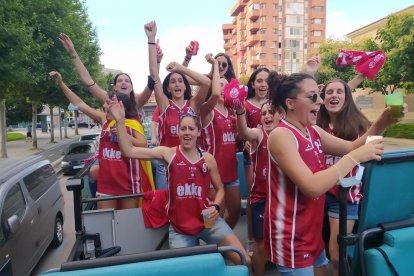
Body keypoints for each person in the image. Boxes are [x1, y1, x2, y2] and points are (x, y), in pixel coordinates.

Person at [264, 72, 397, 275]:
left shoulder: (313, 131)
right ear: (290, 103)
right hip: (291, 235)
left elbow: (352, 146)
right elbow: (312, 186)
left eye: (318, 94)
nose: (320, 101)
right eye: (313, 97)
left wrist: (382, 123)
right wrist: (354, 158)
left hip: (311, 229)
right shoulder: (281, 135)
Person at [107, 97, 251, 269]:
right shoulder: (167, 154)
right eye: (183, 129)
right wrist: (120, 122)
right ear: (178, 132)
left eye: (191, 129)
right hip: (180, 229)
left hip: (208, 224)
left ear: (199, 132)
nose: (187, 132)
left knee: (244, 260)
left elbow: (220, 190)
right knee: (184, 271)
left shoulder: (208, 159)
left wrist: (217, 207)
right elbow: (128, 151)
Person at [49, 71, 154, 210]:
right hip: (106, 185)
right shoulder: (104, 120)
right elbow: (80, 103)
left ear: (121, 105)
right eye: (106, 102)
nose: (105, 105)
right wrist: (61, 84)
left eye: (110, 102)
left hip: (129, 185)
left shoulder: (132, 123)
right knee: (105, 224)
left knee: (127, 227)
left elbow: (144, 146)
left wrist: (126, 136)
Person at [317, 78, 370, 276]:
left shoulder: (360, 124)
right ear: (322, 98)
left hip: (344, 196)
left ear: (347, 97)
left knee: (337, 255)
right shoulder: (315, 124)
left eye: (340, 91)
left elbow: (375, 145)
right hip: (317, 191)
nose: (334, 95)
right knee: (313, 250)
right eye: (329, 92)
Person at [59, 32, 163, 123]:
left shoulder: (137, 100)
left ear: (131, 87)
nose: (123, 82)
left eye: (127, 81)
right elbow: (88, 80)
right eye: (120, 81)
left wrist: (156, 60)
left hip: (134, 145)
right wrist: (72, 52)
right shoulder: (108, 99)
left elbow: (152, 80)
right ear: (114, 87)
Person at [235, 98, 281, 276]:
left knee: (282, 241)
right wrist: (240, 112)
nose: (267, 116)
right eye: (263, 113)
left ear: (281, 115)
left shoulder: (289, 133)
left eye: (271, 112)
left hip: (283, 197)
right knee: (260, 245)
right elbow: (245, 131)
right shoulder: (259, 134)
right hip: (261, 198)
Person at [200, 54, 240, 229]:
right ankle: (214, 250)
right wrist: (215, 66)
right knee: (215, 219)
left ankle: (225, 243)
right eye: (220, 85)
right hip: (213, 174)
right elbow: (215, 93)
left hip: (231, 172)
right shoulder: (207, 110)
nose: (223, 89)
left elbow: (235, 139)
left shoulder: (233, 112)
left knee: (237, 211)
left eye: (226, 86)